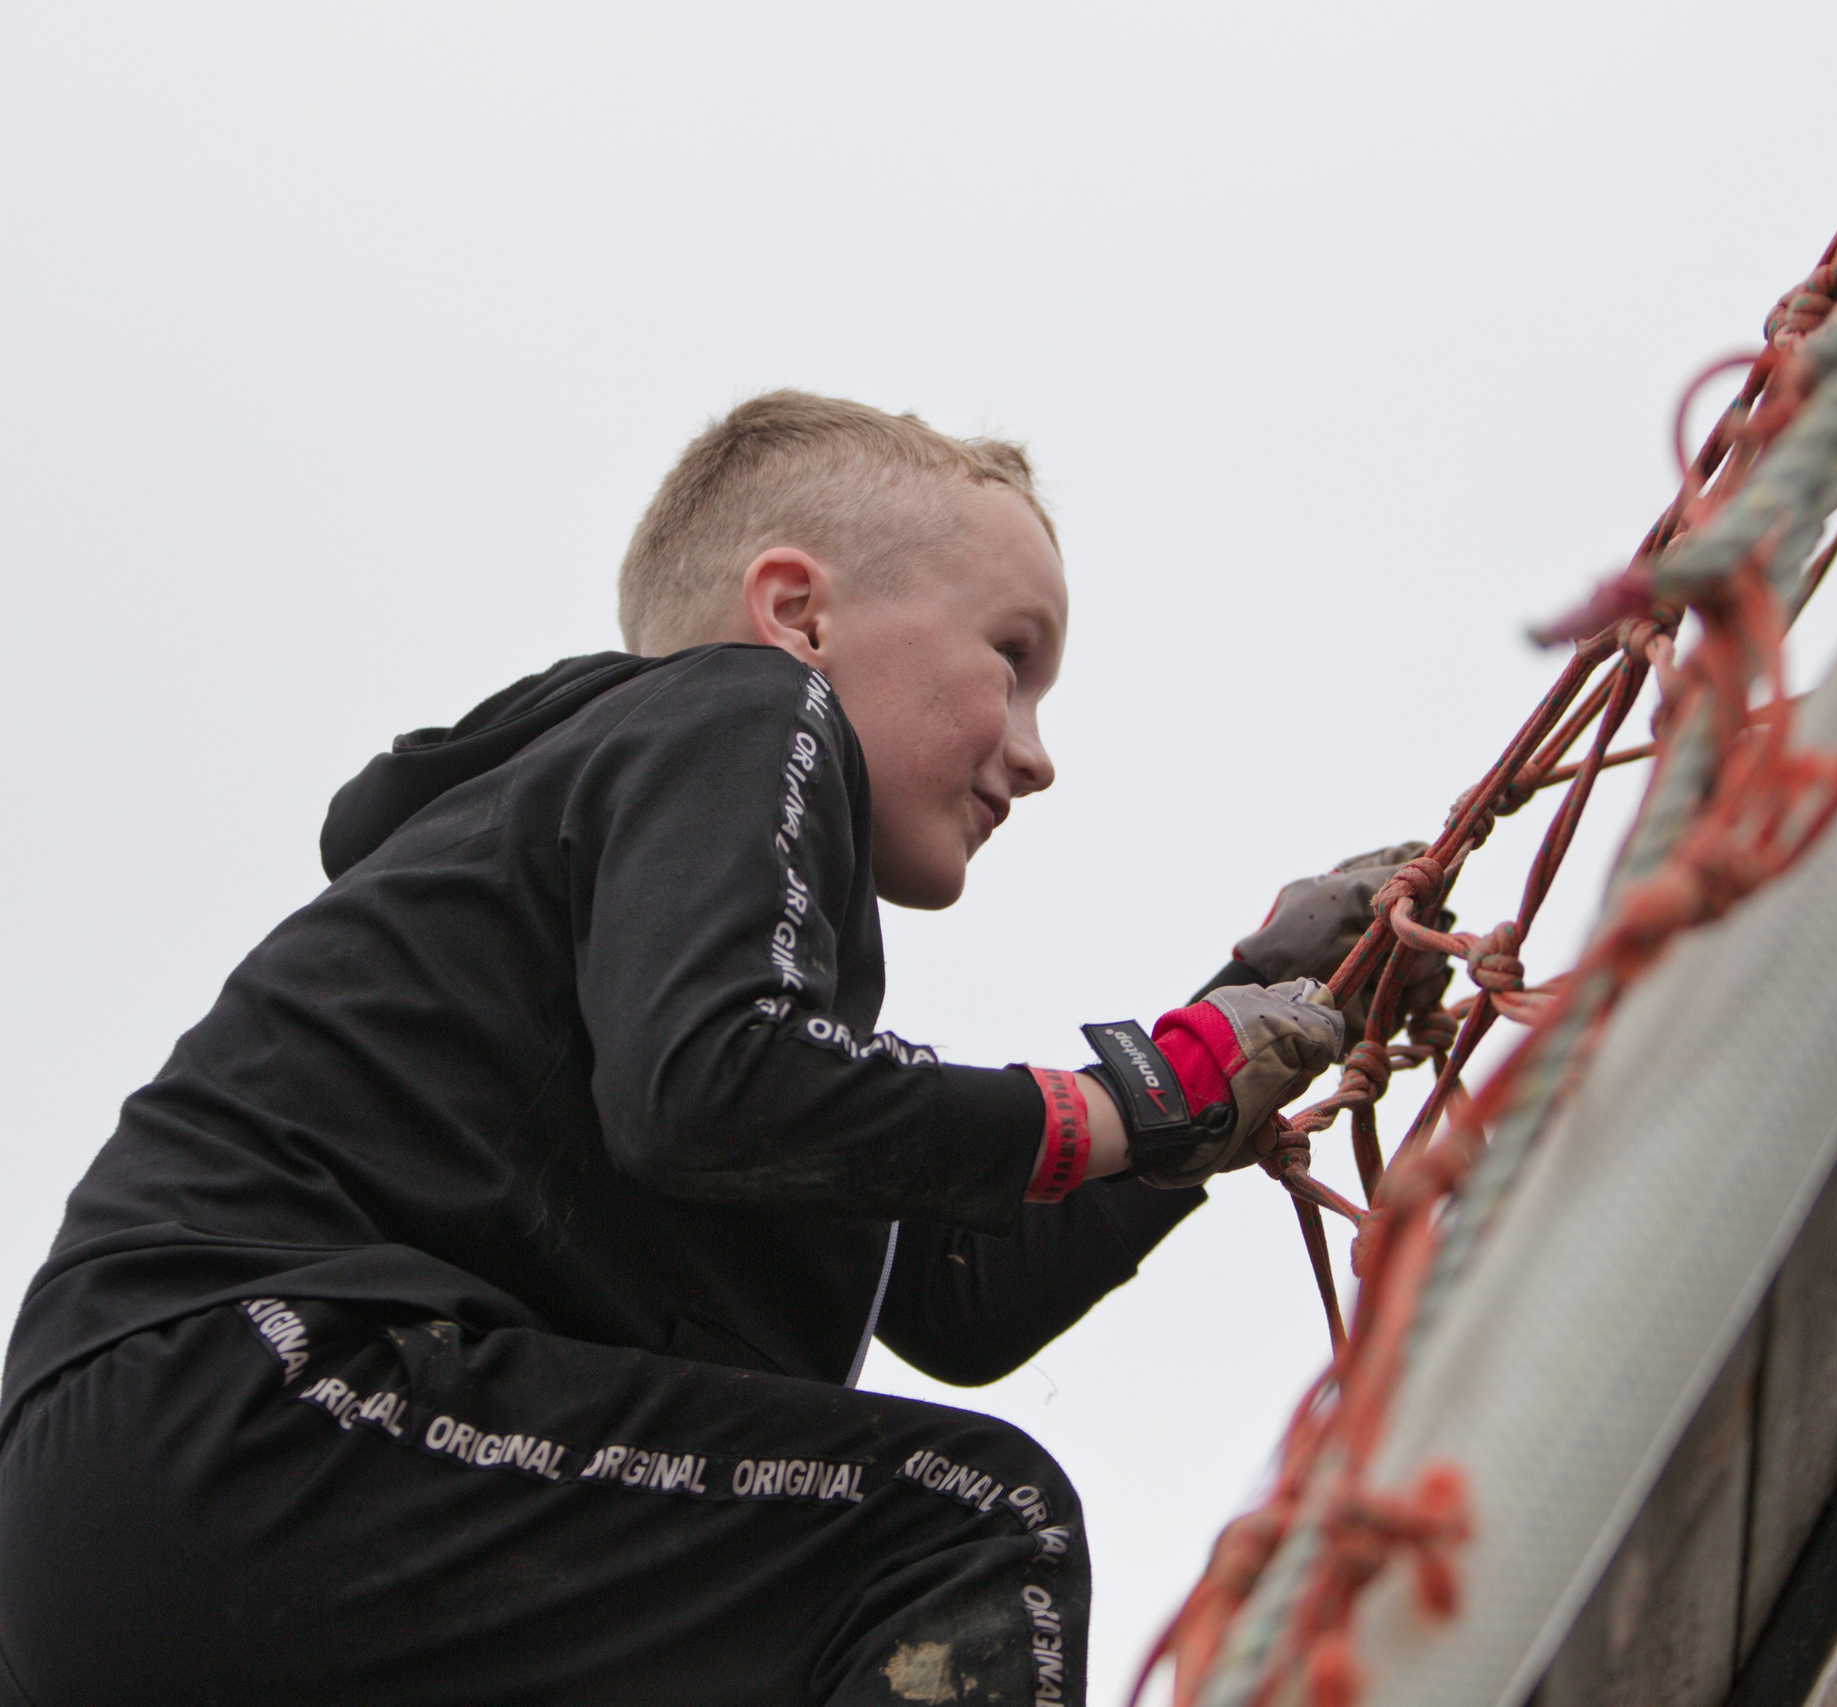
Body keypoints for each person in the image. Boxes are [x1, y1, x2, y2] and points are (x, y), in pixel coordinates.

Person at [0, 393, 1372, 1707]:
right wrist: (1152, 1090)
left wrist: (1263, 1007)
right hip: (262, 1407)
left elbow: (957, 1292)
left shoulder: (634, 943)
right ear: (798, 615)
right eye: (1011, 661)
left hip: (156, 1517)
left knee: (898, 1534)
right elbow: (719, 1089)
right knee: (966, 1528)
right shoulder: (742, 710)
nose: (1034, 753)